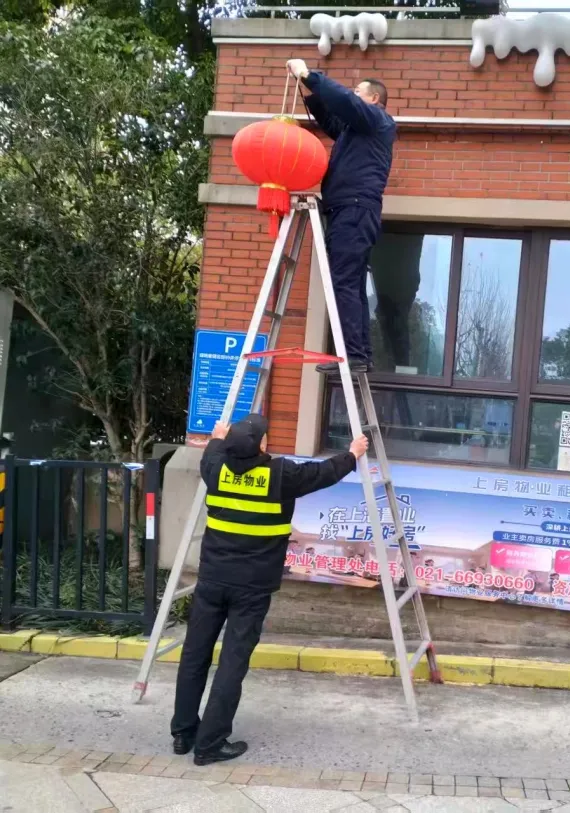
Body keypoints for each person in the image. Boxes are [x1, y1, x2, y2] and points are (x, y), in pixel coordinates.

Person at [171, 413, 368, 765]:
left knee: (194, 654)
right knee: (232, 662)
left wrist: (218, 437)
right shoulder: (280, 475)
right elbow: (323, 473)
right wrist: (352, 453)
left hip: (213, 580)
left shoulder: (215, 468)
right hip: (252, 586)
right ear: (262, 445)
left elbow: (212, 452)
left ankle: (183, 733)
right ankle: (210, 744)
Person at [286, 58, 396, 374]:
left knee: (344, 281)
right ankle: (359, 354)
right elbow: (333, 120)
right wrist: (311, 92)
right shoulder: (357, 130)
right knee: (352, 283)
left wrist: (309, 75)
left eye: (359, 91)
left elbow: (345, 102)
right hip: (351, 209)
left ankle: (353, 354)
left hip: (354, 209)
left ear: (374, 98)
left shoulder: (378, 120)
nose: (353, 93)